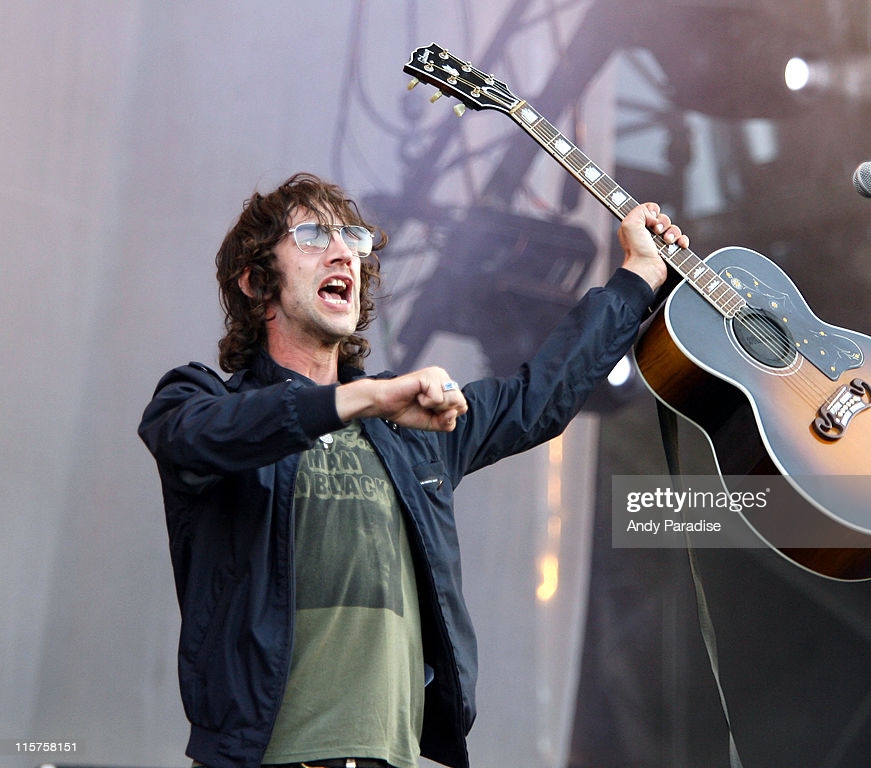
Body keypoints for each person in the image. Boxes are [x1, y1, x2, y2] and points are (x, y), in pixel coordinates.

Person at [138, 172, 685, 768]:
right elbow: (197, 437)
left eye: (352, 238)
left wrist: (639, 276)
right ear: (254, 279)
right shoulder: (202, 402)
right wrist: (362, 399)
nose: (344, 250)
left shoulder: (407, 428)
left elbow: (539, 398)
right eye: (314, 235)